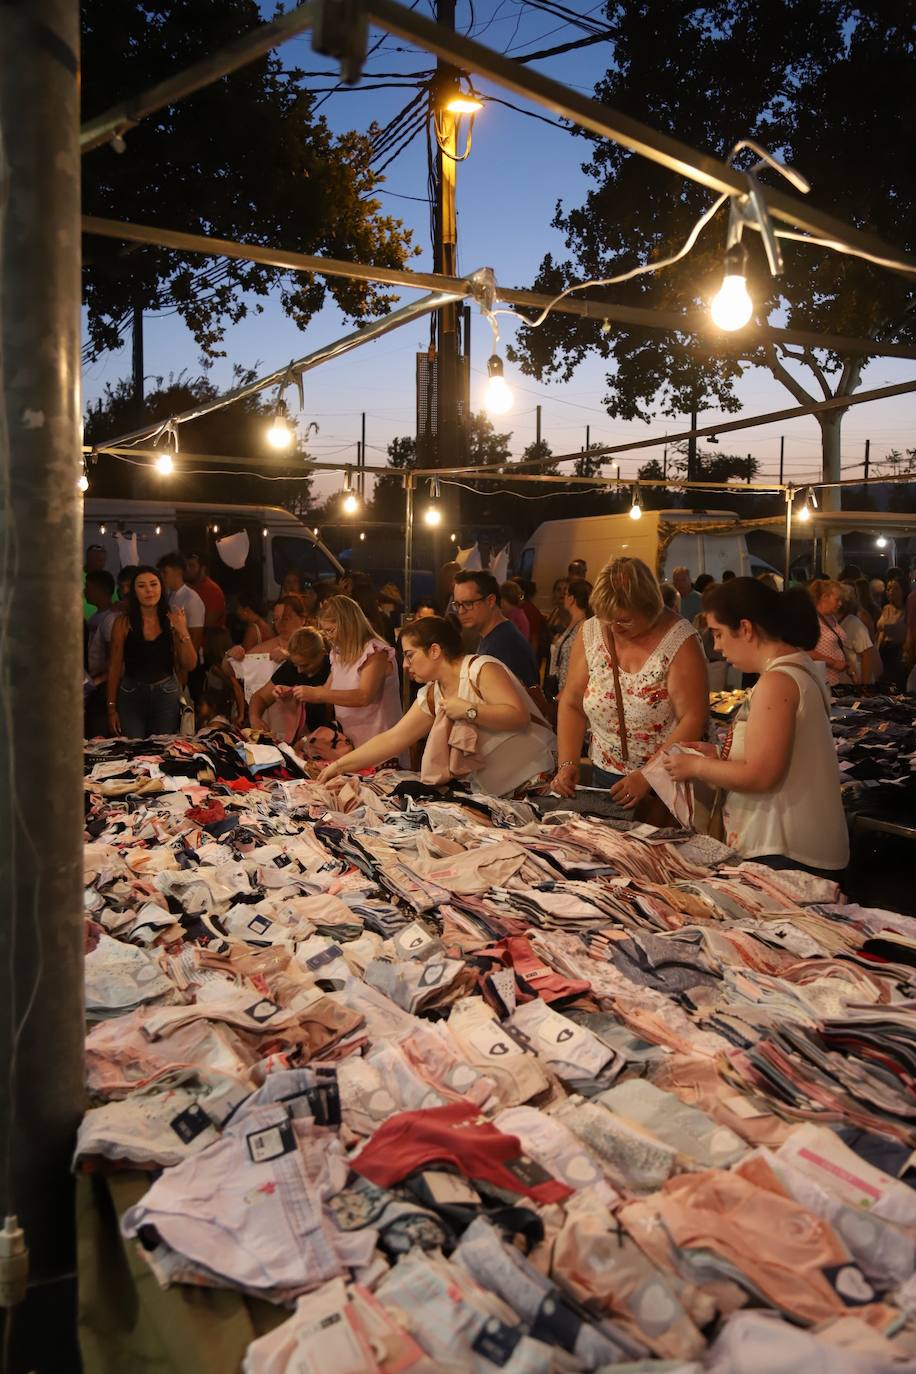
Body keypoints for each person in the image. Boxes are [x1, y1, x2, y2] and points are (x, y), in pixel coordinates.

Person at [663, 578, 848, 875]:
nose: (717, 646)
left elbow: (762, 775)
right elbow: (778, 755)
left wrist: (694, 768)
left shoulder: (777, 682)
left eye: (719, 633)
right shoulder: (797, 667)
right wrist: (717, 754)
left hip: (785, 852)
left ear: (746, 629)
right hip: (795, 848)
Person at [316, 616, 555, 796]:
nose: (405, 665)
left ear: (435, 650)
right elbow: (393, 739)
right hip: (498, 793)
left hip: (534, 783)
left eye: (410, 655)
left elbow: (517, 716)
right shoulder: (433, 694)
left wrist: (469, 710)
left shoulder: (481, 669)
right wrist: (338, 766)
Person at [549, 556, 708, 809]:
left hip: (666, 782)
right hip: (605, 775)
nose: (613, 628)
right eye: (606, 618)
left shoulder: (679, 640)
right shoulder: (590, 631)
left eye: (624, 620)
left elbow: (693, 718)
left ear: (650, 608)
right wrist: (568, 763)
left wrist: (649, 776)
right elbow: (571, 702)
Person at [292, 595, 403, 751]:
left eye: (331, 630)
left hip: (380, 744)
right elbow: (328, 691)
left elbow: (364, 696)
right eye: (325, 632)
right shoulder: (339, 654)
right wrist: (292, 691)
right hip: (352, 744)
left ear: (348, 624)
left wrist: (318, 694)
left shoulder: (376, 652)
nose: (329, 637)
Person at [106, 566, 197, 737]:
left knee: (162, 751)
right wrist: (111, 708)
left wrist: (182, 631)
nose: (149, 590)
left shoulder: (172, 619)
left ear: (161, 588)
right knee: (133, 750)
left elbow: (190, 664)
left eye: (153, 584)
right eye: (141, 586)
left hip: (166, 693)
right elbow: (114, 666)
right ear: (134, 591)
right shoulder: (123, 622)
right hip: (131, 692)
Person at [452, 570, 539, 688]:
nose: (461, 611)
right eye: (457, 605)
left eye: (468, 603)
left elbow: (510, 705)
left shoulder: (503, 645)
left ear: (490, 601)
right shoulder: (498, 635)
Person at [249, 627, 331, 739]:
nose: (299, 670)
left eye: (305, 665)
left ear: (322, 654)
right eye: (296, 664)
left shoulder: (333, 668)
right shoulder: (291, 667)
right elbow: (260, 697)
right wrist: (255, 718)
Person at [227, 594, 307, 663]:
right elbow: (235, 668)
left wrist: (289, 658)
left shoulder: (315, 646)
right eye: (276, 619)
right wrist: (231, 655)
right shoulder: (263, 649)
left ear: (302, 619)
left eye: (285, 619)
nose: (280, 624)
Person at [157, 553, 205, 660]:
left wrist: (188, 662)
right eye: (160, 572)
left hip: (189, 659)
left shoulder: (191, 598)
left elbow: (196, 636)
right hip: (175, 657)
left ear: (178, 571)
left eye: (165, 572)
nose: (161, 576)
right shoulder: (170, 595)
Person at [808, 580, 852, 686]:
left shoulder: (831, 618)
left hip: (837, 680)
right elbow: (804, 650)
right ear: (824, 597)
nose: (840, 604)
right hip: (823, 681)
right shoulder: (810, 619)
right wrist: (833, 663)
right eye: (837, 600)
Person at [200, 629, 245, 725]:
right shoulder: (218, 666)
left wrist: (241, 715)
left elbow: (236, 688)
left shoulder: (220, 668)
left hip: (220, 711)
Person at [554, 578, 591, 692]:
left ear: (572, 599)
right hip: (561, 685)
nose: (564, 597)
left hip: (569, 690)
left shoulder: (583, 626)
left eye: (566, 594)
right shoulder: (574, 622)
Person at [838, 583, 877, 685]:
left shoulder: (853, 623)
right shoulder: (834, 623)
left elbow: (867, 654)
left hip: (856, 686)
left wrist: (865, 688)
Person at [876, 578, 907, 690]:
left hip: (898, 653)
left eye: (895, 588)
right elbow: (880, 632)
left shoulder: (907, 610)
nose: (891, 591)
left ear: (903, 590)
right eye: (888, 588)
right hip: (884, 650)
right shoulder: (886, 608)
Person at [186, 552, 227, 630]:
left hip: (208, 640)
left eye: (191, 566)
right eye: (185, 566)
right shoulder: (187, 588)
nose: (187, 569)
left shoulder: (212, 591)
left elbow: (208, 623)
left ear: (202, 569)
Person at [83, 544, 108, 619]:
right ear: (89, 559)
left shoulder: (106, 579)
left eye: (104, 561)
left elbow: (113, 602)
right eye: (99, 560)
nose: (102, 564)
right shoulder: (74, 578)